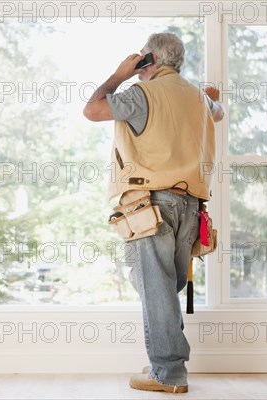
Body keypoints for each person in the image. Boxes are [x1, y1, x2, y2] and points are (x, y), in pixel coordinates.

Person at [83, 32, 225, 394]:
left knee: (157, 286)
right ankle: (167, 362)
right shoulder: (197, 98)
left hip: (153, 205)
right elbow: (218, 111)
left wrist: (120, 75)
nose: (139, 63)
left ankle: (169, 373)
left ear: (151, 61)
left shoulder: (140, 93)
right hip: (192, 207)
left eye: (142, 58)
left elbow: (93, 109)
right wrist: (209, 96)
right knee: (165, 286)